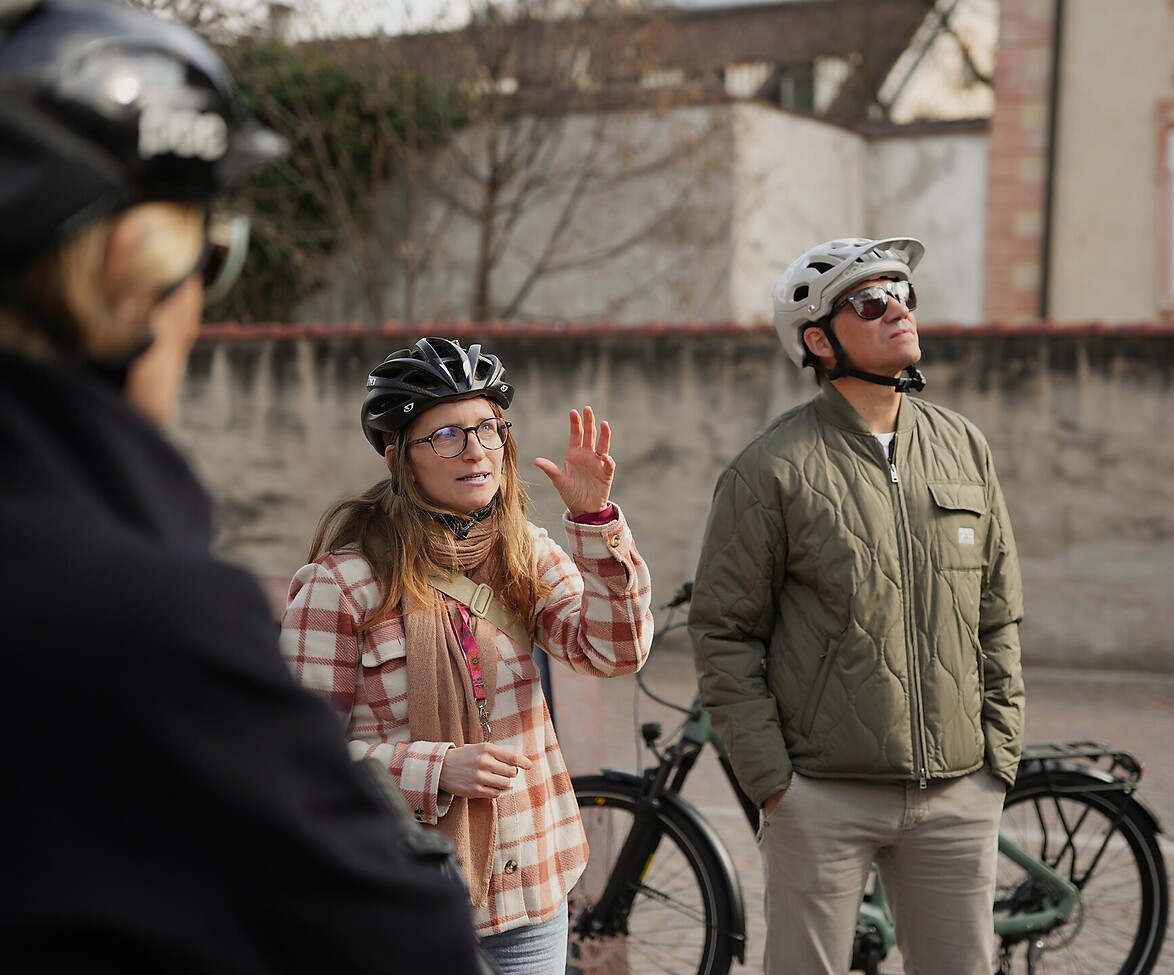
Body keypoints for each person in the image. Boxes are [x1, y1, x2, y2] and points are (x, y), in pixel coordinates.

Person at [0, 1, 484, 970]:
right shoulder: (151, 617)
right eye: (213, 258)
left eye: (488, 432)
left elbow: (607, 638)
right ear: (128, 272)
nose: (477, 451)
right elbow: (400, 942)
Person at [690, 236, 1026, 975]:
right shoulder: (770, 467)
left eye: (903, 293)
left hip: (958, 794)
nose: (898, 310)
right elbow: (723, 633)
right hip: (820, 795)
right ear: (819, 340)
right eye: (870, 302)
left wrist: (996, 757)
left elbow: (998, 611)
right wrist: (774, 784)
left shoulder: (963, 447)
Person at [279, 336, 654, 974]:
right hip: (397, 899)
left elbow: (612, 654)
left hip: (529, 890)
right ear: (400, 456)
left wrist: (595, 523)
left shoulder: (524, 553)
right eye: (447, 435)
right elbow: (293, 758)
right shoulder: (342, 585)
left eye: (488, 428)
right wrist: (433, 768)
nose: (476, 450)